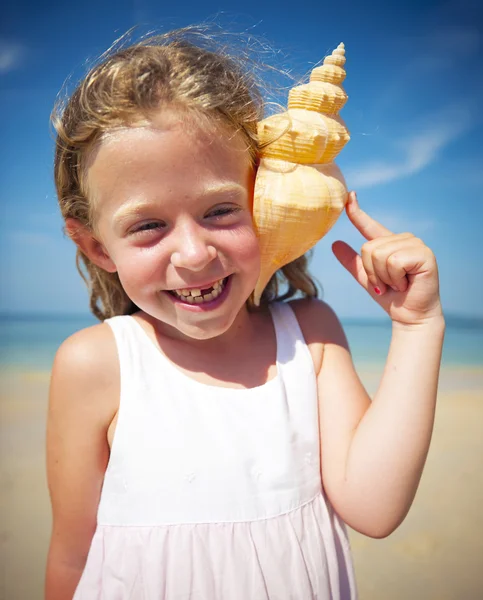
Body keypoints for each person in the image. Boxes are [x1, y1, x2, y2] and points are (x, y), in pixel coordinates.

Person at [45, 26, 445, 600]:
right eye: (148, 225)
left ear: (263, 202)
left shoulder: (310, 336)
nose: (193, 253)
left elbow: (375, 507)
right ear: (97, 246)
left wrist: (418, 327)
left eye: (220, 210)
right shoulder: (96, 364)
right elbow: (72, 556)